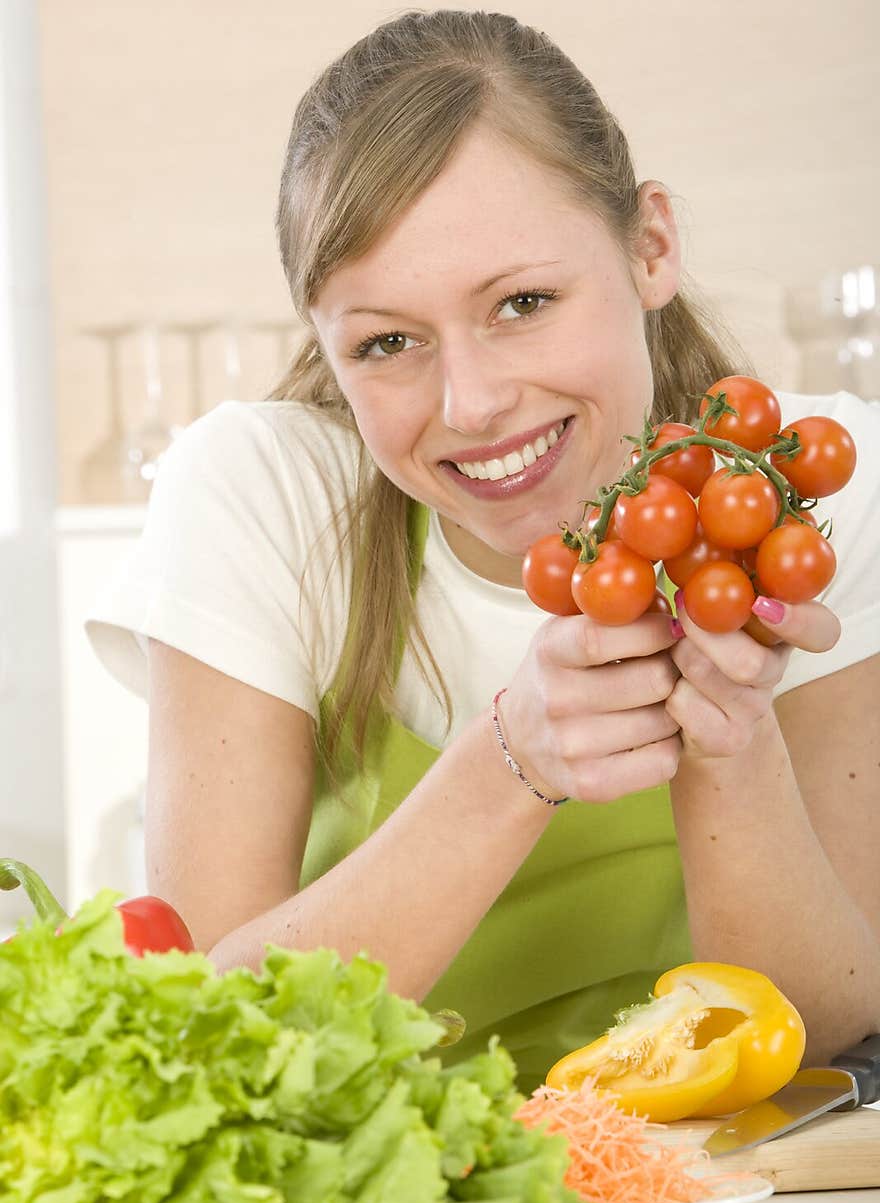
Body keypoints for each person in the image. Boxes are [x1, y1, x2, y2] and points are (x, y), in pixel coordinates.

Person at [87, 8, 880, 1095]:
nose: (471, 403)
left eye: (523, 302)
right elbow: (210, 1037)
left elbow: (830, 1025)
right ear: (322, 343)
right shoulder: (259, 493)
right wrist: (514, 755)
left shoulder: (807, 486)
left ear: (650, 246)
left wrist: (729, 746)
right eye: (388, 342)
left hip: (722, 1198)